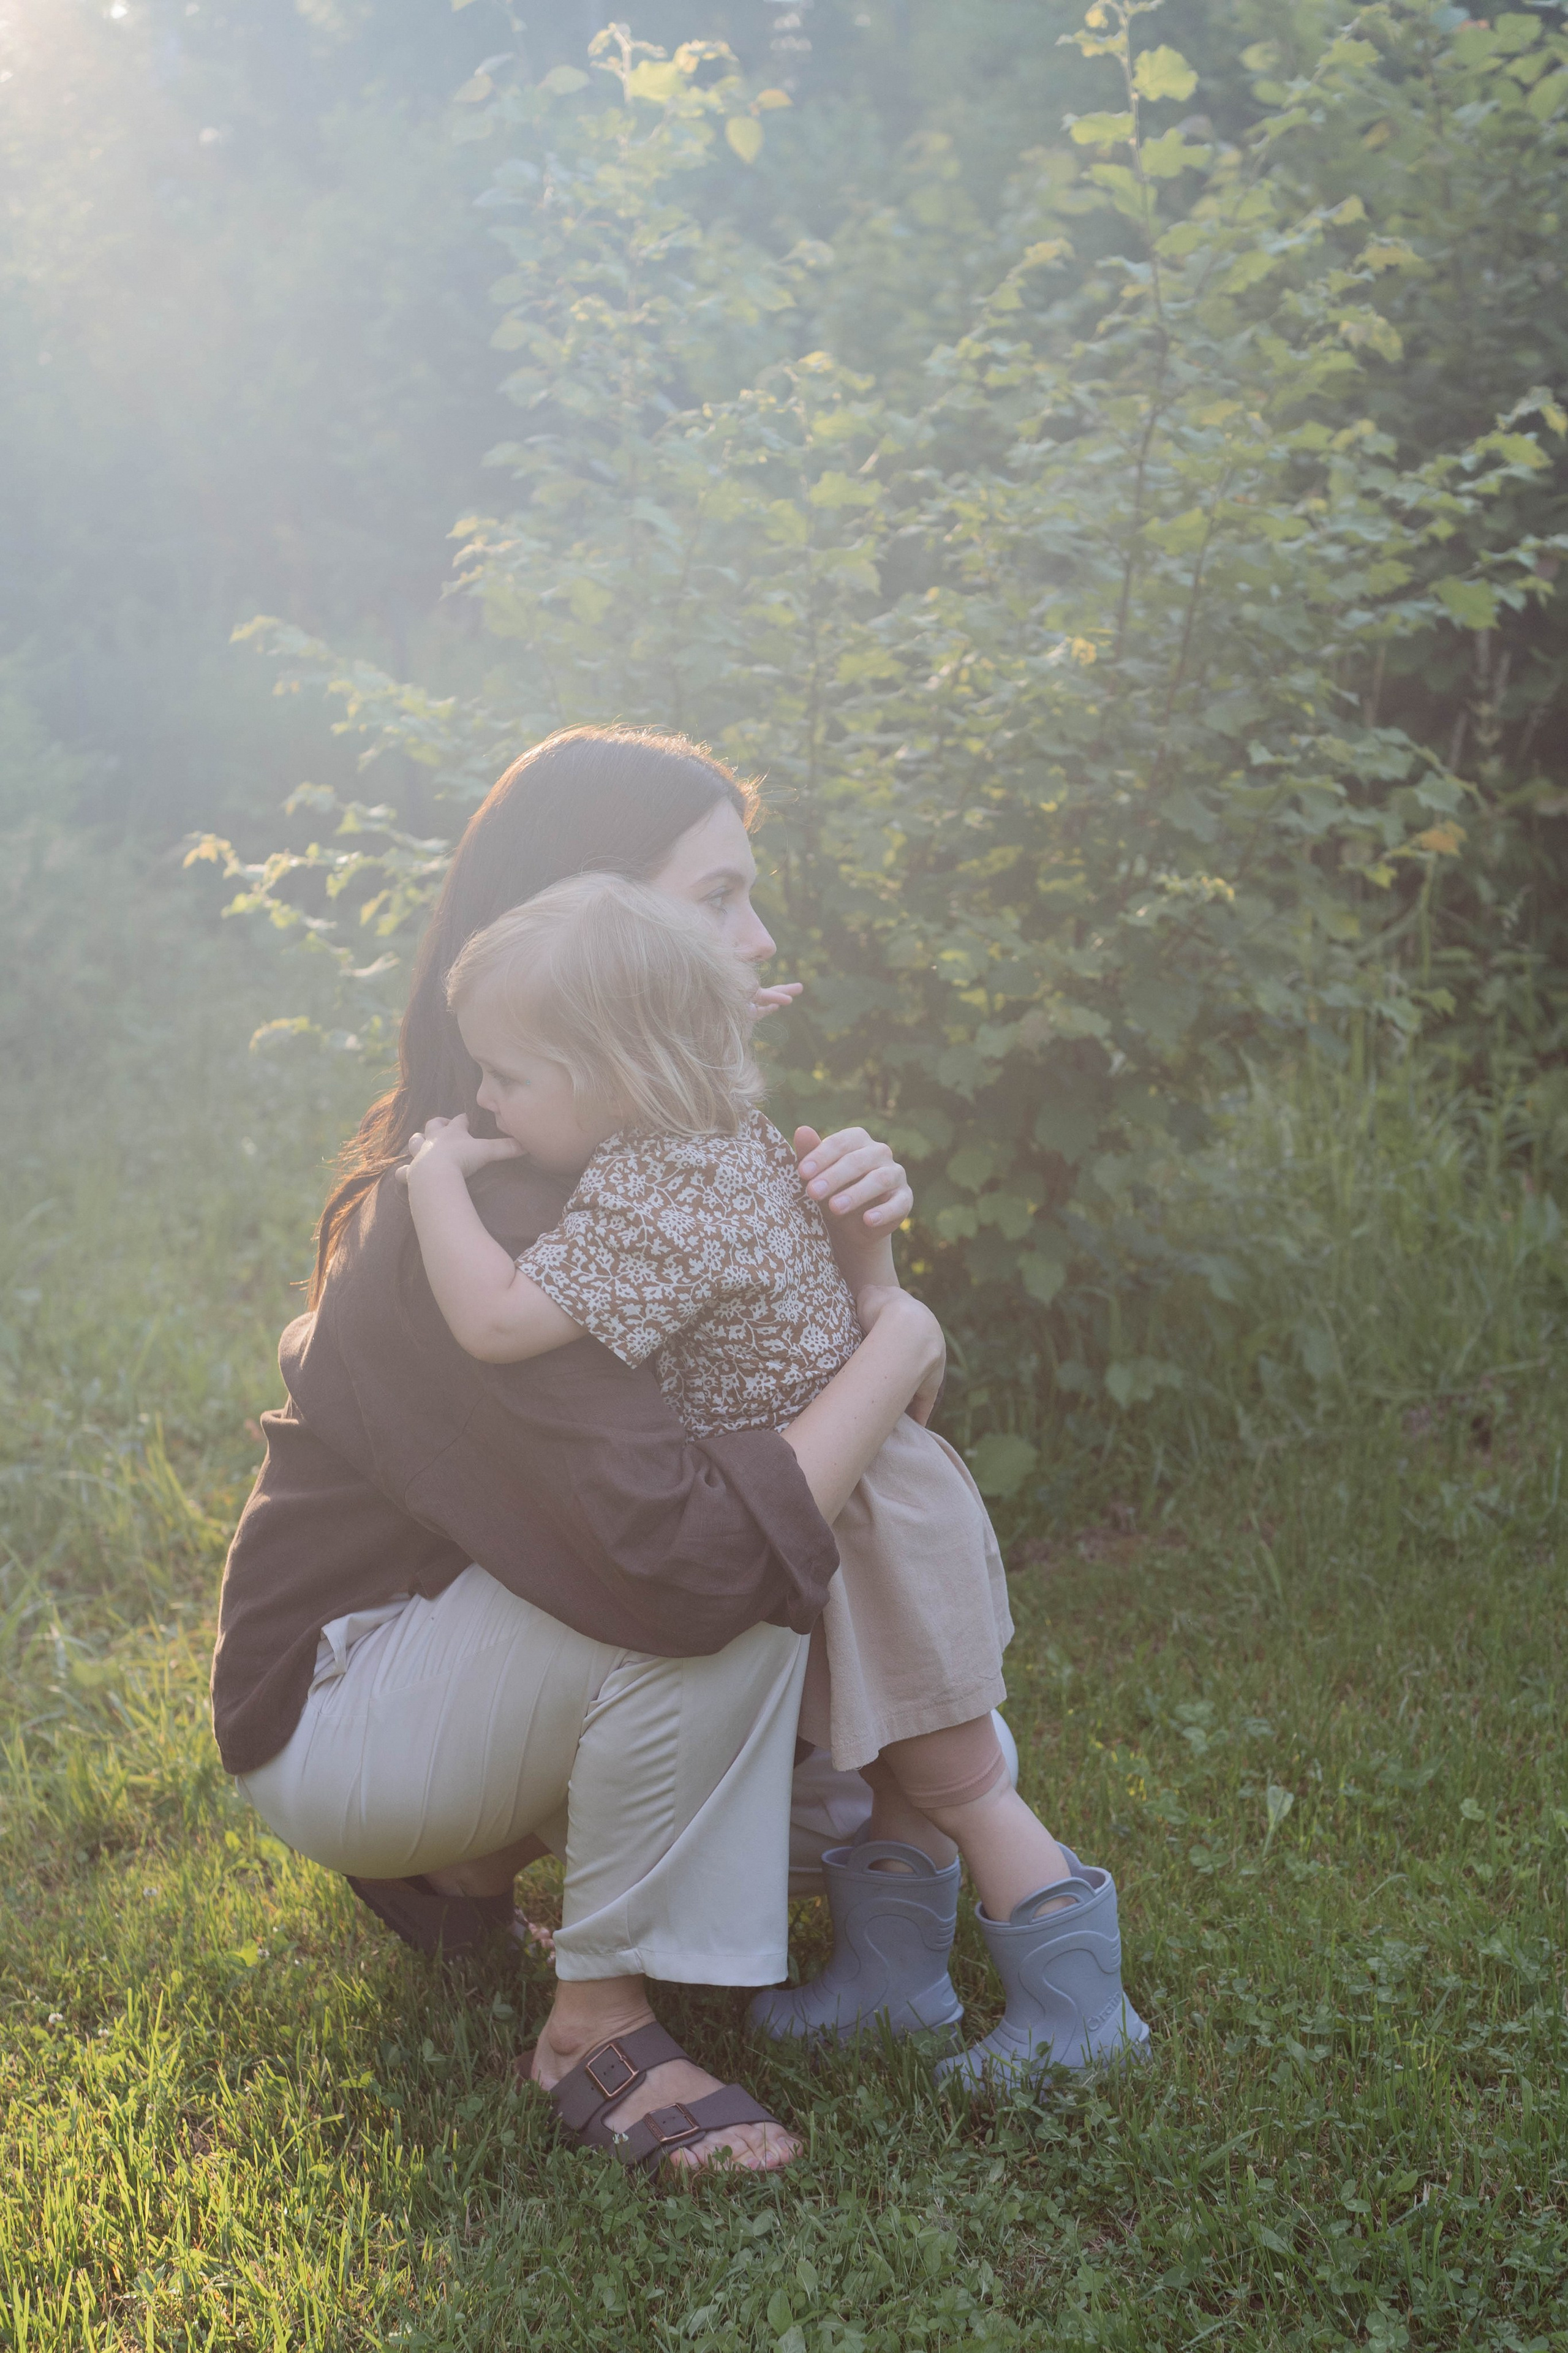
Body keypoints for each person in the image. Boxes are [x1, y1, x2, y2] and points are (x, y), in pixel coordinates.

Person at [213, 726, 941, 2176]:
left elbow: (857, 1464)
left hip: (496, 1635)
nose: (760, 936)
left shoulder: (666, 1166)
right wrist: (900, 1344)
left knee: (866, 1802)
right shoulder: (496, 1216)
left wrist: (860, 1269)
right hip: (342, 1706)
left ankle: (475, 1859)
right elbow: (701, 1557)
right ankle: (594, 2030)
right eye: (719, 895)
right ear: (586, 927)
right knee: (727, 1599)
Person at [396, 869, 1148, 2087]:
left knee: (954, 1772)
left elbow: (495, 1320)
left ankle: (1083, 2017)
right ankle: (892, 1984)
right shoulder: (709, 1128)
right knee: (892, 1763)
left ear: (615, 1078)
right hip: (854, 1491)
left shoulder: (659, 1193)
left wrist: (434, 1177)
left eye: (507, 1076)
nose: (482, 1098)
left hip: (865, 1514)